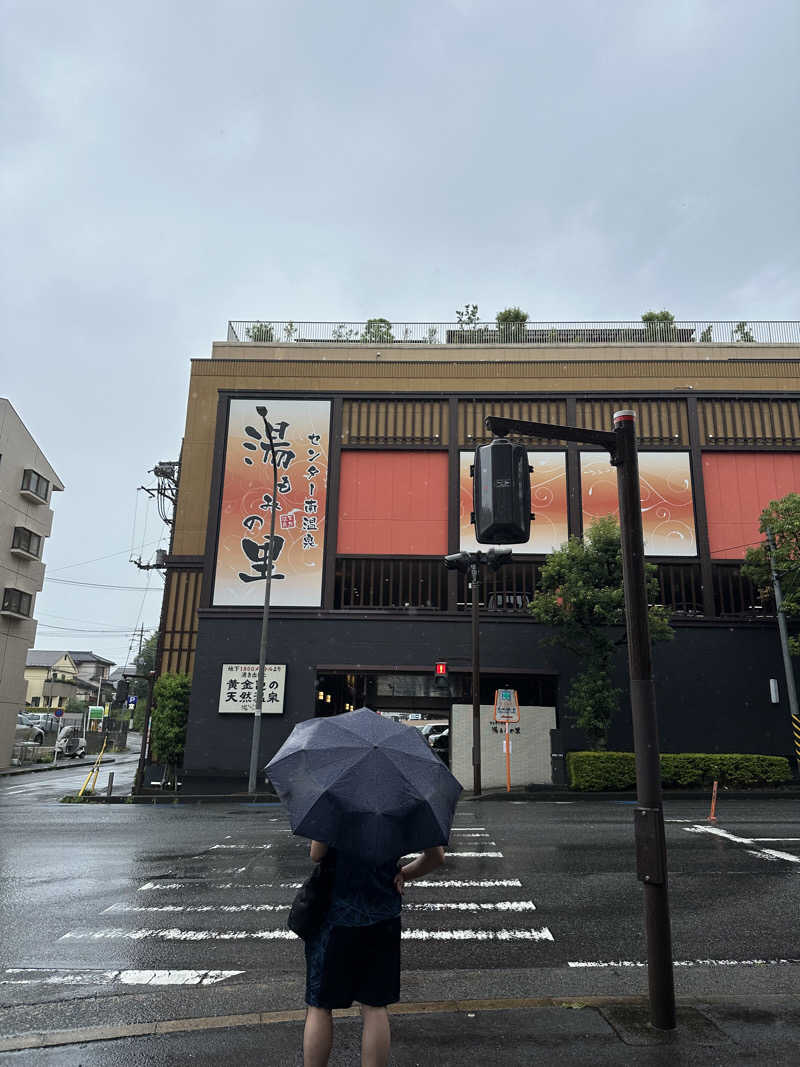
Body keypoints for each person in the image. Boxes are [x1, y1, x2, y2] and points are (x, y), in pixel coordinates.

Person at [303, 839, 445, 1067]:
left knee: (320, 1005)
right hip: (383, 916)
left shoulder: (337, 812)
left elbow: (316, 854)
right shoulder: (404, 813)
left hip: (337, 917)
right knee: (375, 1006)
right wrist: (404, 874)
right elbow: (436, 857)